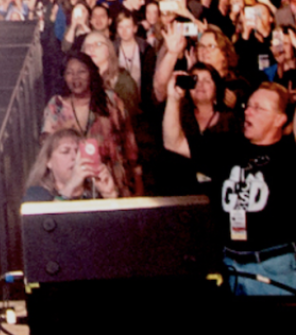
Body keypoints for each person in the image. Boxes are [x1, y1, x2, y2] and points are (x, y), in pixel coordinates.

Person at [164, 81, 296, 295]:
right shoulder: (228, 147)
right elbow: (173, 142)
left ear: (279, 119)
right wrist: (173, 99)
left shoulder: (289, 154)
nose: (248, 112)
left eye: (258, 108)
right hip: (229, 266)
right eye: (248, 106)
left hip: (274, 267)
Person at [41, 52, 140, 196]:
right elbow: (46, 148)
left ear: (91, 74)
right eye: (69, 73)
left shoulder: (110, 100)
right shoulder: (56, 106)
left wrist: (138, 181)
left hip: (111, 181)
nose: (76, 77)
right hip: (73, 184)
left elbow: (129, 141)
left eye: (81, 71)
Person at [24, 128, 118, 201]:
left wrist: (110, 195)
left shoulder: (94, 194)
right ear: (48, 162)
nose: (74, 157)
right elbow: (45, 222)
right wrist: (71, 187)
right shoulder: (36, 194)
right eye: (65, 151)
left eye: (78, 152)